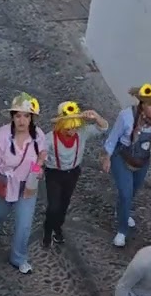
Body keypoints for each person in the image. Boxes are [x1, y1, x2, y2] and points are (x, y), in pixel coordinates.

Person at [0, 91, 49, 274]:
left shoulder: (38, 136)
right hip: (5, 184)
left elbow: (41, 157)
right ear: (12, 117)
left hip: (27, 186)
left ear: (32, 118)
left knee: (24, 224)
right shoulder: (1, 136)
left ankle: (18, 258)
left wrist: (36, 173)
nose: (22, 120)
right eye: (18, 115)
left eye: (26, 116)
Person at [102, 83, 151, 247]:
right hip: (122, 157)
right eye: (150, 104)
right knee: (125, 193)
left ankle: (122, 211)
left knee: (132, 191)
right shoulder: (126, 116)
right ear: (142, 104)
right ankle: (122, 230)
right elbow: (113, 137)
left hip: (143, 160)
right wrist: (107, 156)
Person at [40, 101, 109, 247]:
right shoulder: (49, 139)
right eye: (69, 128)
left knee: (64, 204)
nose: (72, 131)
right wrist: (36, 171)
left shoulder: (82, 133)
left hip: (72, 173)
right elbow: (36, 158)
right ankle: (48, 229)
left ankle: (57, 228)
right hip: (54, 174)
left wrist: (96, 116)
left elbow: (103, 127)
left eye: (75, 127)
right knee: (53, 206)